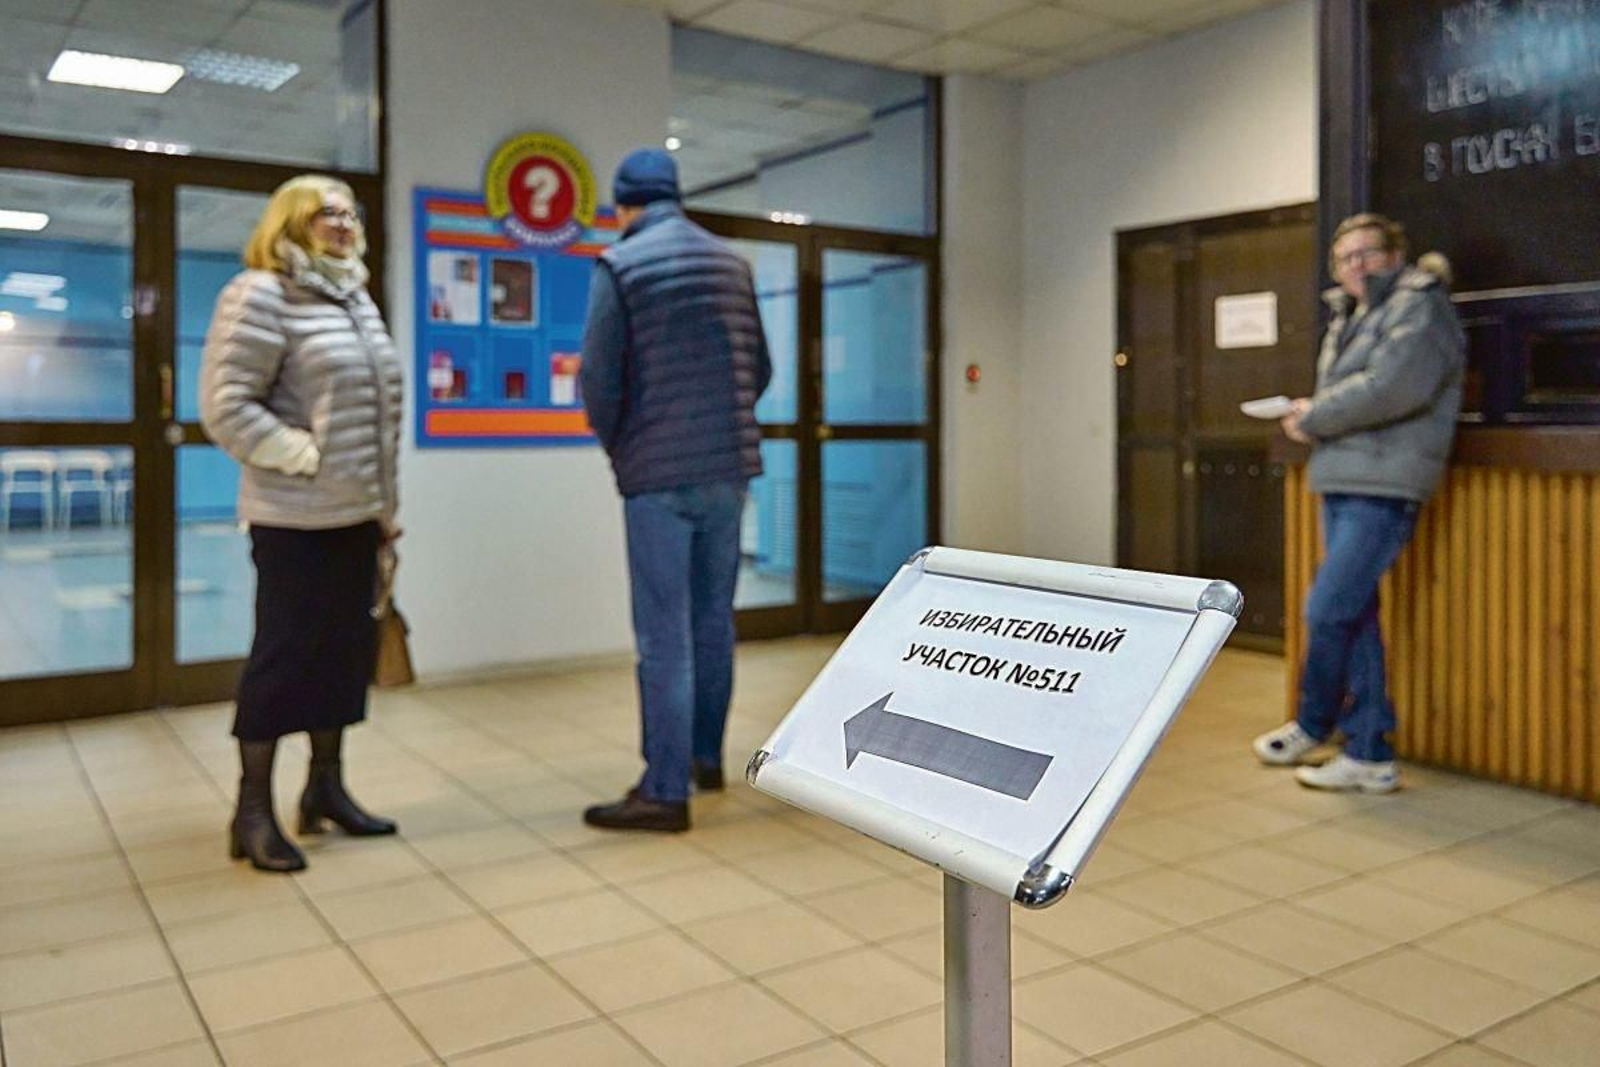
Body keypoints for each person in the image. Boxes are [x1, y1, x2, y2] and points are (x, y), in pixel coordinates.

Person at [200, 174, 402, 871]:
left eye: (349, 213)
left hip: (355, 516)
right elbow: (226, 406)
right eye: (325, 214)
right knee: (283, 661)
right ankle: (251, 809)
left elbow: (374, 416)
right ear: (290, 223)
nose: (342, 224)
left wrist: (381, 509)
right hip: (292, 520)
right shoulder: (260, 293)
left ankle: (324, 788)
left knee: (344, 658)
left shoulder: (353, 297)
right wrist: (305, 456)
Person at [578, 147, 771, 832]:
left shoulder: (622, 265)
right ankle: (704, 759)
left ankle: (664, 790)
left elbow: (599, 381)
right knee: (712, 620)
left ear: (624, 205)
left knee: (663, 635)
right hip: (728, 470)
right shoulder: (732, 265)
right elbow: (762, 366)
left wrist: (622, 444)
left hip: (657, 477)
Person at [1252, 213, 1465, 793]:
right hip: (1346, 474)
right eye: (1345, 258)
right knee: (1352, 612)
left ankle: (1332, 728)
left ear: (1396, 254)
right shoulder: (1354, 313)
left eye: (1367, 254)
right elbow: (1358, 389)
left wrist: (1313, 416)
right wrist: (1313, 412)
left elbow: (1392, 387)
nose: (1355, 266)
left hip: (1385, 482)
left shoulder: (1419, 305)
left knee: (1328, 610)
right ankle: (1358, 746)